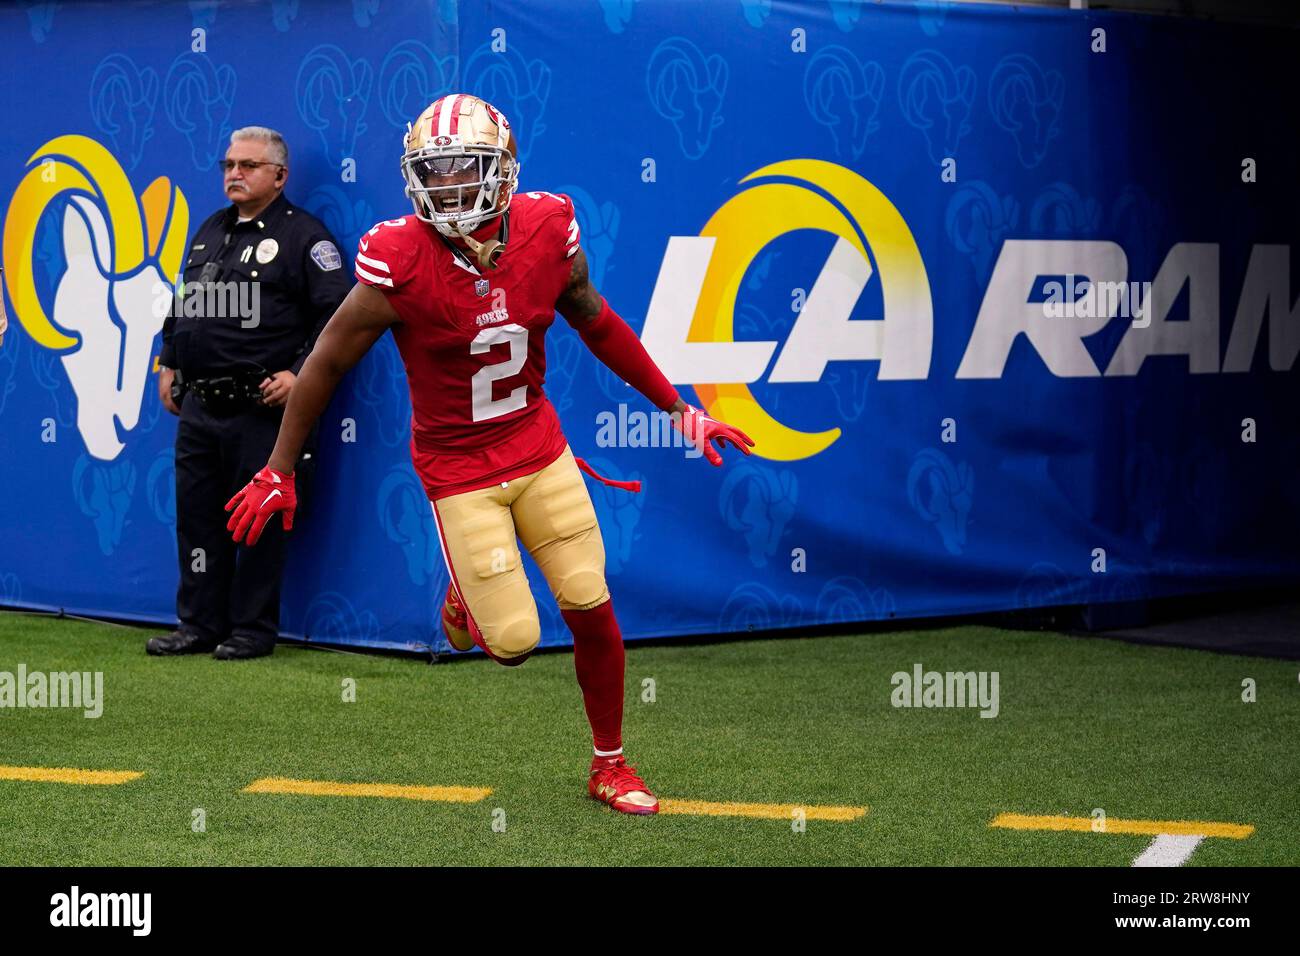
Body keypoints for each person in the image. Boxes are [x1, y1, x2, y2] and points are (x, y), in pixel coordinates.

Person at [225, 95, 752, 813]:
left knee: (589, 600)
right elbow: (324, 362)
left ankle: (610, 763)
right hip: (457, 469)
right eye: (432, 173)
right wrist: (278, 468)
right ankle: (462, 598)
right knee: (510, 642)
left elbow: (596, 320)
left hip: (536, 445)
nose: (446, 187)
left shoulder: (547, 227)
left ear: (503, 171)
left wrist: (680, 409)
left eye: (462, 170)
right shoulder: (398, 257)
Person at [148, 127, 350, 660]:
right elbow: (185, 300)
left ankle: (252, 630)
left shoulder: (306, 237)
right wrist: (168, 362)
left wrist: (300, 373)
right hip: (198, 406)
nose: (234, 174)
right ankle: (197, 624)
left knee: (257, 518)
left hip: (261, 409)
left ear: (279, 176)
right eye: (229, 165)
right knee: (196, 518)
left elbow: (340, 316)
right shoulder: (209, 230)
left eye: (248, 165)